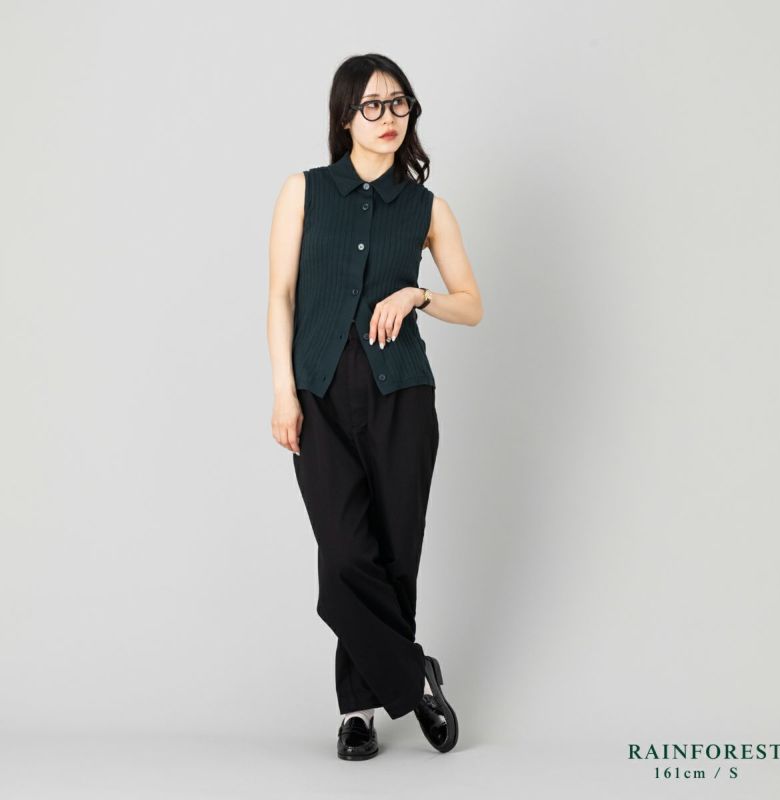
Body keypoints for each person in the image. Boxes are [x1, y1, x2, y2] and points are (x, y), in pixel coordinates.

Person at [266, 53, 483, 760]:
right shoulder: (303, 191)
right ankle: (414, 679)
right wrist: (283, 390)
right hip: (320, 396)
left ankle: (357, 712)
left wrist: (418, 295)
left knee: (394, 557)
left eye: (399, 103)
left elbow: (471, 304)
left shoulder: (427, 208)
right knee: (343, 558)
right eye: (372, 105)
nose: (388, 118)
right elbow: (281, 296)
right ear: (344, 117)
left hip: (402, 399)